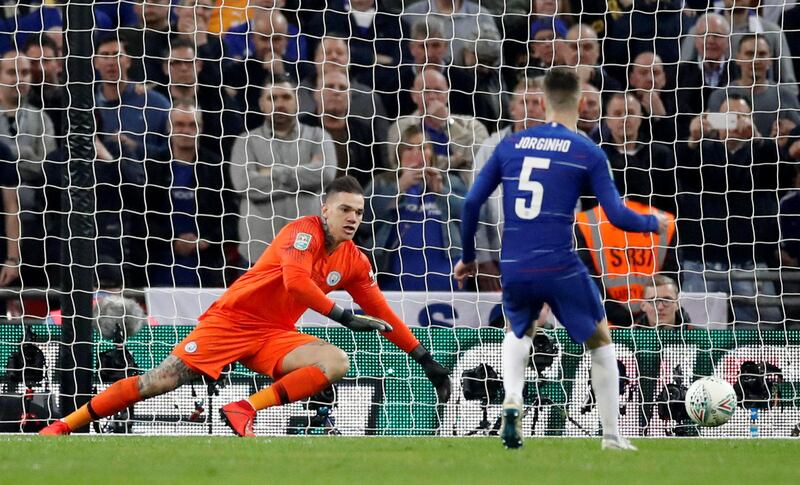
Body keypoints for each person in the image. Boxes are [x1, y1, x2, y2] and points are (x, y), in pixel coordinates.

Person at [40, 176, 452, 437]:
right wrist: (344, 316)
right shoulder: (301, 233)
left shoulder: (354, 261)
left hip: (273, 336)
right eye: (345, 209)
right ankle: (62, 425)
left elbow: (384, 314)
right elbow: (296, 282)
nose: (353, 218)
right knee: (158, 382)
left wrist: (425, 359)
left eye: (359, 212)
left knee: (336, 361)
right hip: (233, 321)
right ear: (324, 210)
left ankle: (243, 409)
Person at [455, 67, 666, 450]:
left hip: (514, 264)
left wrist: (469, 257)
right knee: (601, 342)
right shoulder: (586, 149)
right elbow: (617, 215)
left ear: (543, 101)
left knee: (518, 329)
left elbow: (471, 202)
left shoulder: (511, 145)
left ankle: (513, 396)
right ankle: (612, 436)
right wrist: (657, 223)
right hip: (561, 263)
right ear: (582, 103)